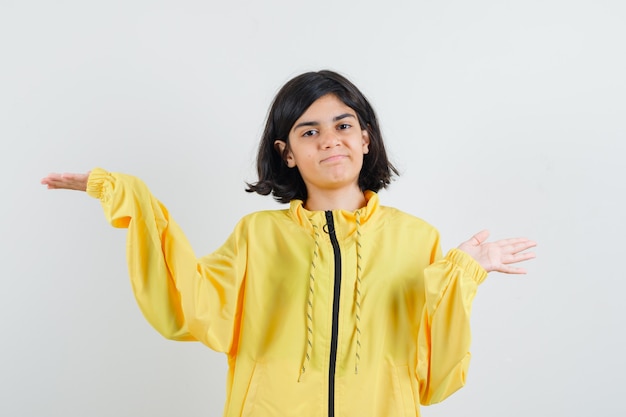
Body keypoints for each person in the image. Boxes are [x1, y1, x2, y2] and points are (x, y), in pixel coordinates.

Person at [41, 70, 536, 417]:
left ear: (365, 138)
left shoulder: (416, 237)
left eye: (343, 126)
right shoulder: (258, 236)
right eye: (309, 131)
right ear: (288, 153)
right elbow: (186, 301)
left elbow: (436, 376)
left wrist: (463, 274)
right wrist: (130, 196)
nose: (329, 140)